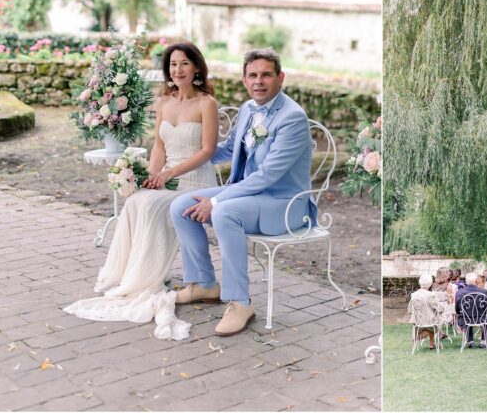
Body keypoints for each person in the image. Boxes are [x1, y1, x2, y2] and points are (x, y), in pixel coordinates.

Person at [65, 42, 219, 340]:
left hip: (196, 180)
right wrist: (150, 175)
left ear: (196, 67)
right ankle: (134, 274)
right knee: (137, 199)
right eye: (173, 64)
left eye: (185, 63)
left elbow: (208, 151)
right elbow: (159, 146)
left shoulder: (206, 103)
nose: (178, 70)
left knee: (150, 206)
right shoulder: (164, 102)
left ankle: (149, 275)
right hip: (166, 176)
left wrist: (169, 174)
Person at [169, 49, 316, 337]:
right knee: (180, 205)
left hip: (283, 203)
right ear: (244, 80)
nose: (259, 81)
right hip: (248, 194)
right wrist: (191, 152)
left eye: (266, 75)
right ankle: (204, 284)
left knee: (224, 212)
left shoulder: (292, 117)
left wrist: (216, 199)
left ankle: (240, 303)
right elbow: (225, 149)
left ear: (280, 78)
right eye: (253, 75)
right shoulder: (249, 109)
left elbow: (268, 175)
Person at [455, 272, 487, 348]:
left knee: (465, 316)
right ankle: (483, 340)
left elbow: (457, 310)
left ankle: (470, 341)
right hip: (481, 319)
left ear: (466, 281)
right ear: (476, 281)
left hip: (465, 320)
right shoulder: (484, 292)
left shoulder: (459, 292)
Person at [408, 274, 441, 349]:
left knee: (427, 320)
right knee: (432, 320)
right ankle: (432, 343)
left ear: (420, 283)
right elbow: (439, 308)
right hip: (430, 321)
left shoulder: (414, 295)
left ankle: (419, 337)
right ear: (430, 284)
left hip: (417, 321)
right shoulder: (431, 295)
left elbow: (410, 309)